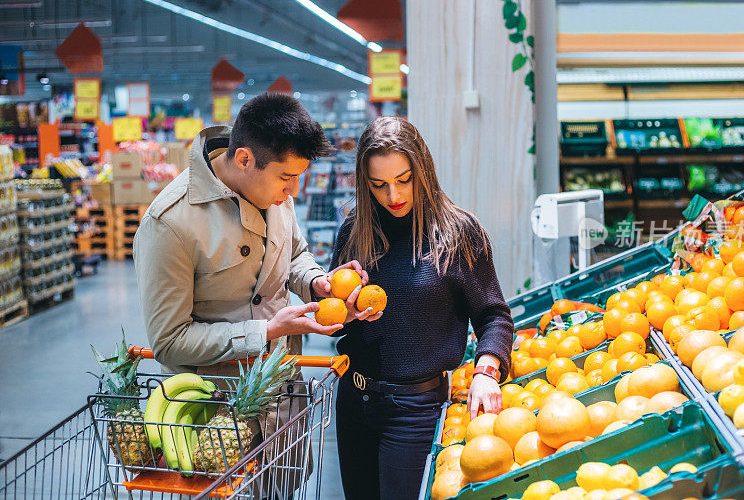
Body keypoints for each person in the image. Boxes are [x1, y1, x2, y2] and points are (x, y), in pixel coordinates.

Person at [132, 94, 378, 495]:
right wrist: (263, 332)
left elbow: (295, 253)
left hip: (280, 396)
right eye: (286, 178)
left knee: (281, 489)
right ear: (244, 159)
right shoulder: (171, 223)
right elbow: (169, 341)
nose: (293, 191)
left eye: (299, 176)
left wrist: (317, 281)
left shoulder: (276, 192)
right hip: (216, 414)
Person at [330, 116, 513, 500]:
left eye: (403, 179)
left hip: (416, 409)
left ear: (423, 171)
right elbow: (332, 319)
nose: (393, 195)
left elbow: (493, 316)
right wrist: (337, 309)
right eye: (378, 185)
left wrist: (486, 370)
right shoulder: (354, 232)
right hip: (354, 400)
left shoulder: (458, 234)